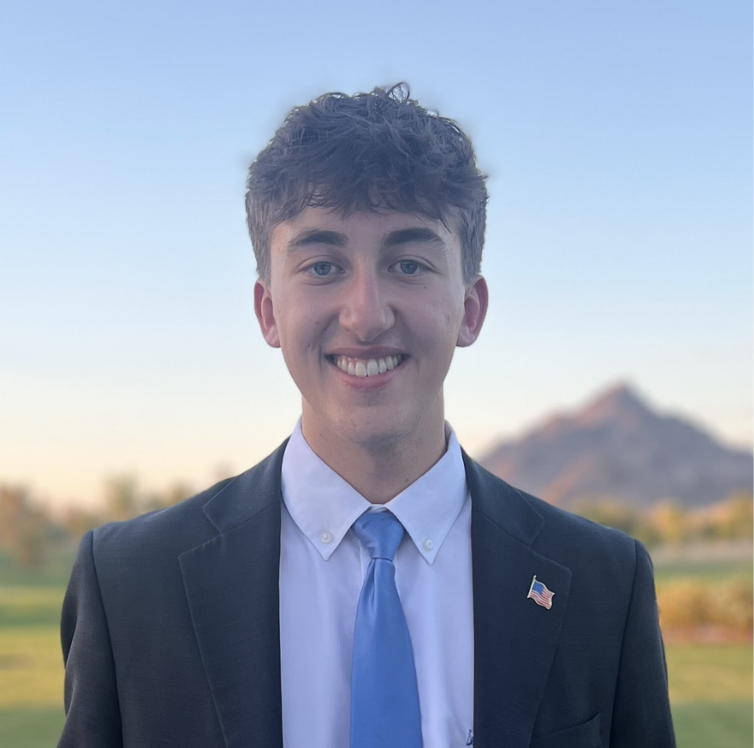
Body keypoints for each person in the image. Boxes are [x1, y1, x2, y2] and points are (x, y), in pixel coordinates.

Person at [58, 84, 676, 748]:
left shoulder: (603, 585)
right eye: (323, 266)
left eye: (408, 264)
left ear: (470, 310)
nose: (366, 315)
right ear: (268, 311)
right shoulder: (129, 584)